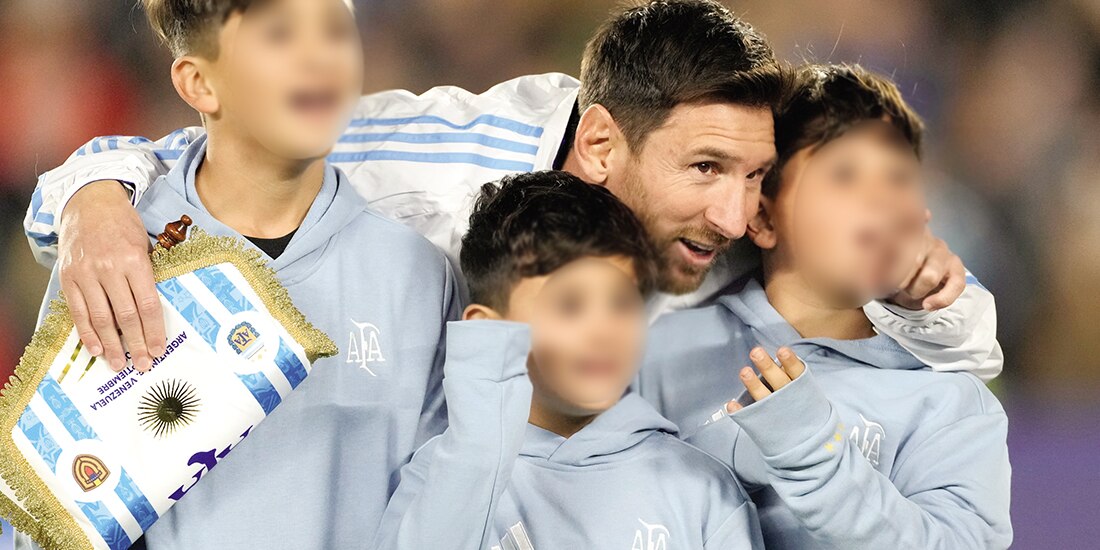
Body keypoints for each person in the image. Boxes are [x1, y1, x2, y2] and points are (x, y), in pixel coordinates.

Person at [24, 0, 999, 383]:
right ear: (602, 144)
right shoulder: (435, 159)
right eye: (702, 172)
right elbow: (166, 158)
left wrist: (932, 298)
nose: (734, 217)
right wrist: (93, 208)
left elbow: (964, 359)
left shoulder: (757, 193)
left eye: (749, 180)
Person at [17, 0, 458, 548]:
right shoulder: (111, 250)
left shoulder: (414, 272)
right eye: (278, 36)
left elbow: (434, 508)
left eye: (335, 31)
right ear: (200, 82)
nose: (320, 58)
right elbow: (58, 511)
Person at [640, 64, 1012, 549]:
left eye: (899, 177)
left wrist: (813, 454)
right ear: (763, 218)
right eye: (844, 173)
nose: (880, 197)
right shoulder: (658, 353)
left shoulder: (951, 403)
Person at [375, 171, 764, 549]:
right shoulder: (438, 475)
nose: (604, 330)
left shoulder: (703, 489)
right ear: (487, 332)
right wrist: (474, 455)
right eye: (568, 304)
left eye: (621, 302)